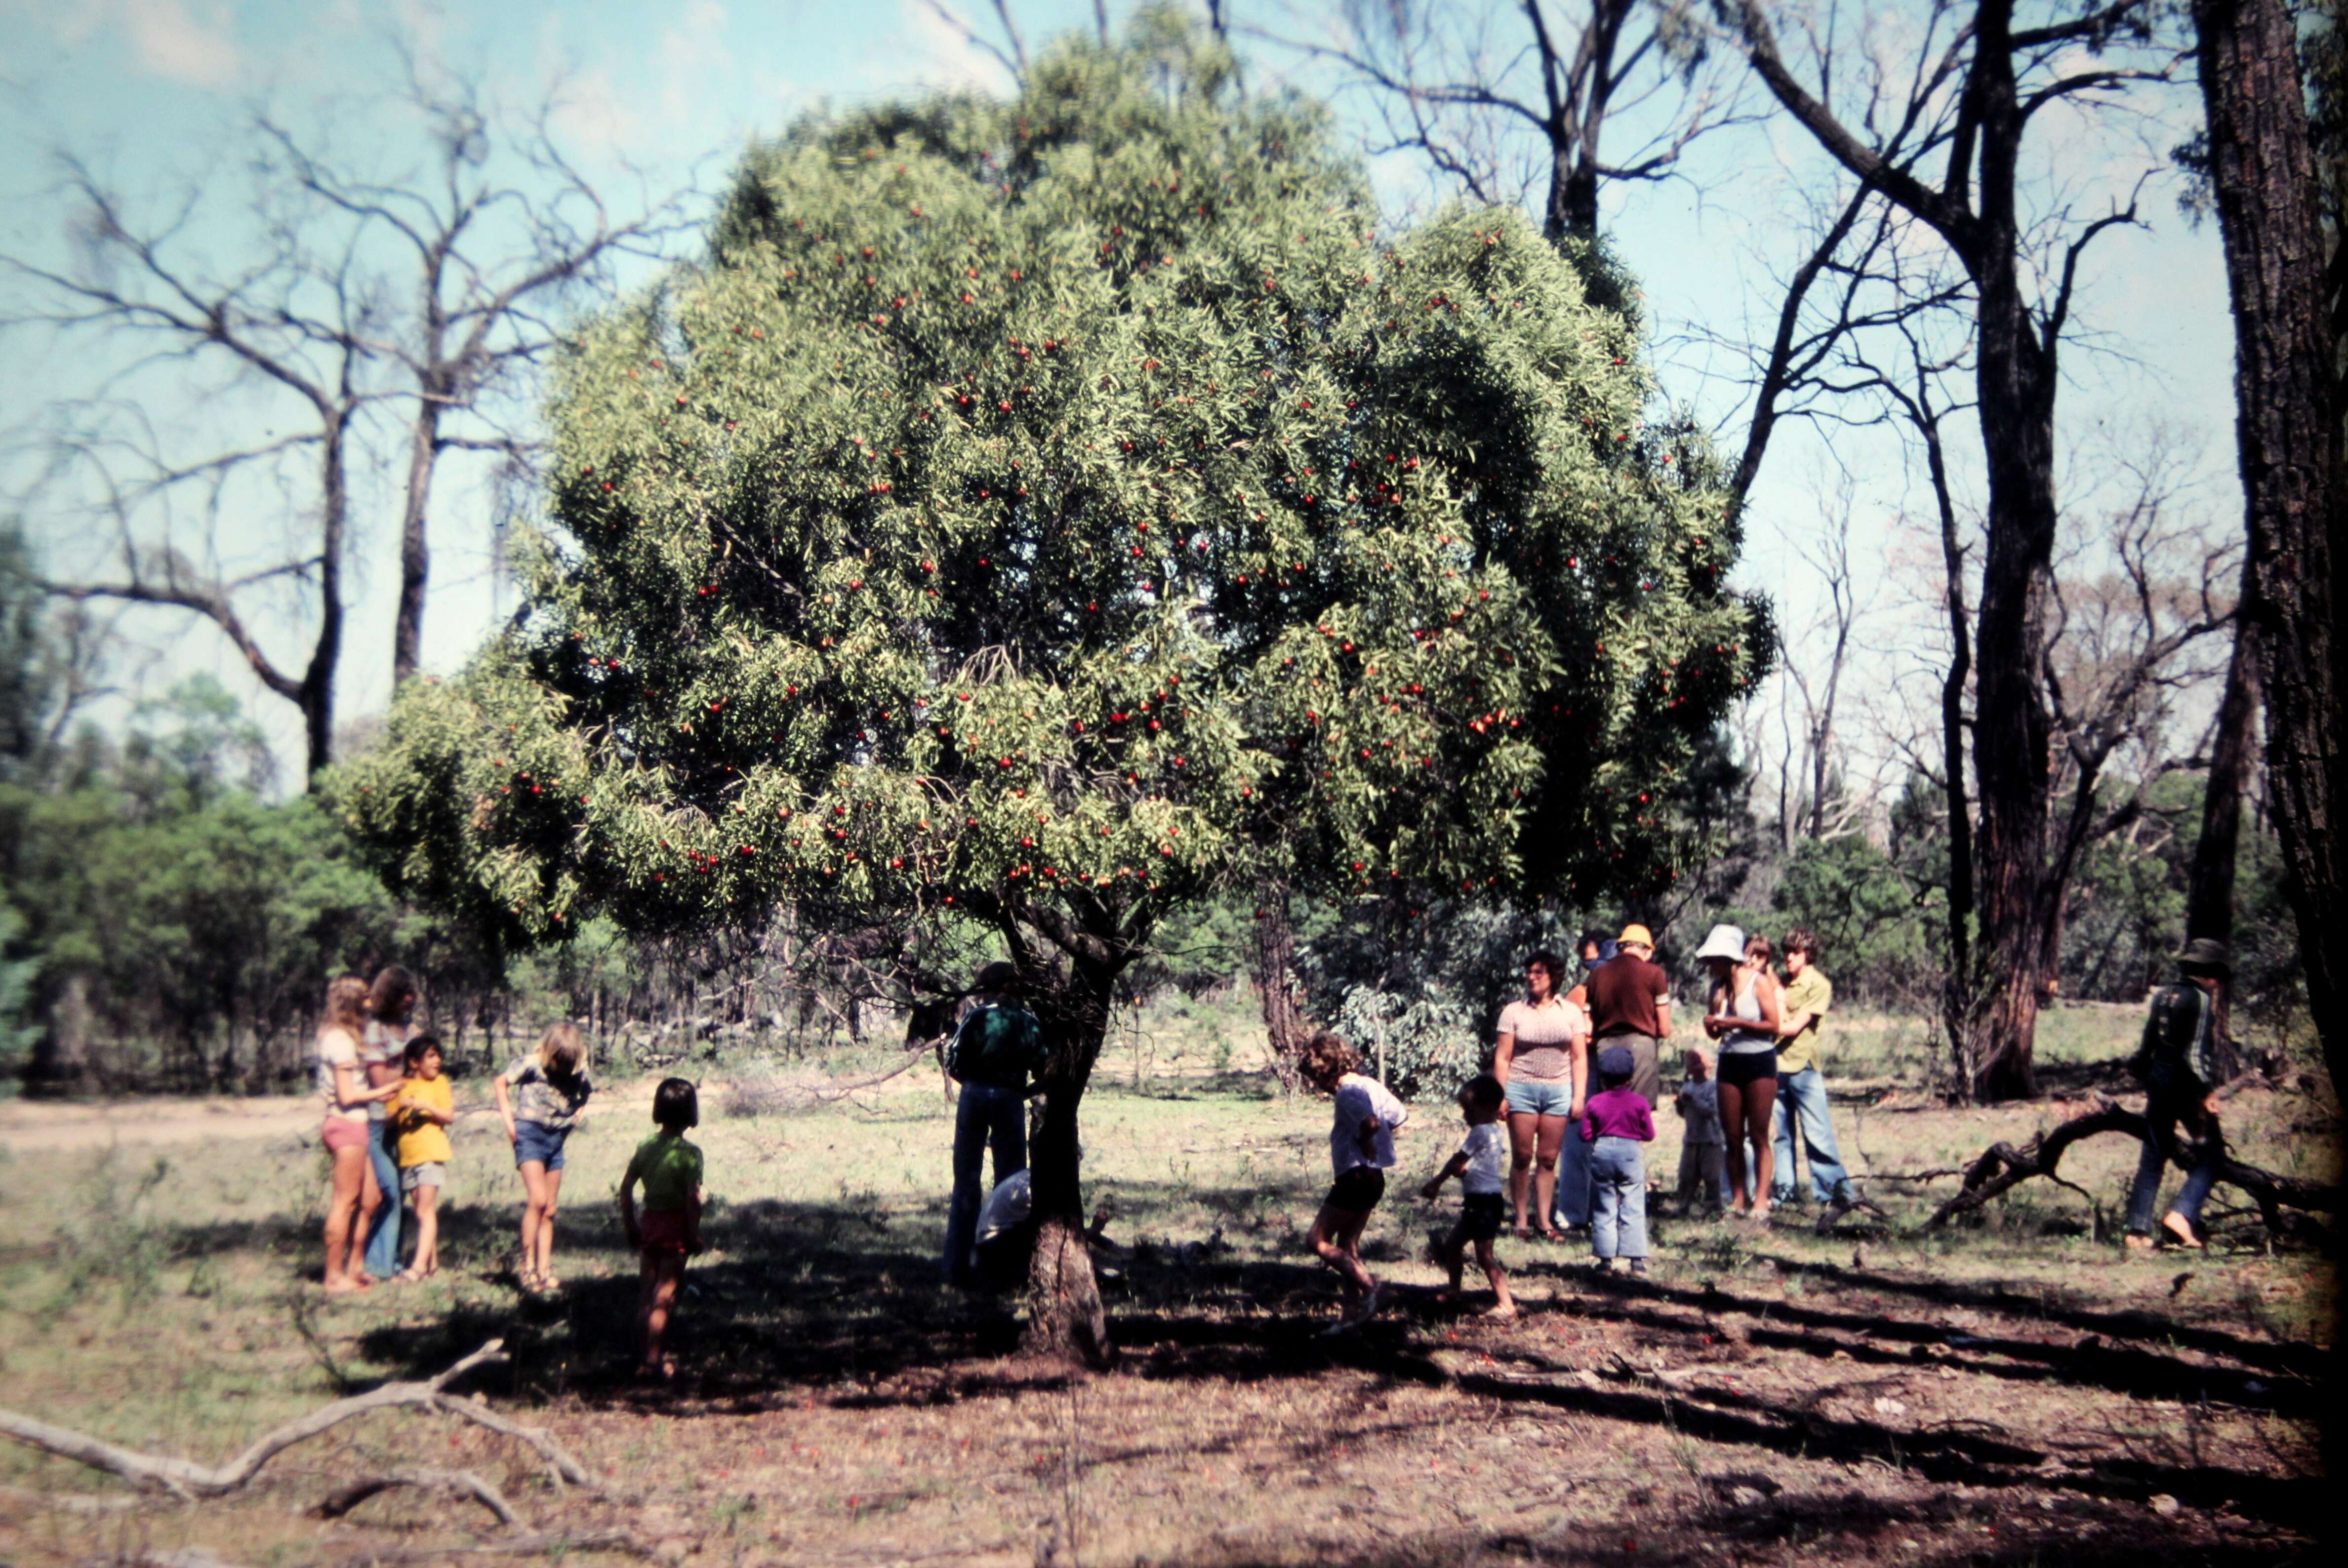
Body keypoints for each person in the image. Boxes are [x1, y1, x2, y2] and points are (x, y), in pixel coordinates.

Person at [941, 961, 1049, 1288]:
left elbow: (954, 1061)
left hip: (974, 1096)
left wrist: (977, 1082)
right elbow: (1042, 1066)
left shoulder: (977, 1017)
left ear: (989, 987)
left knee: (966, 1182)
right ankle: (1004, 1271)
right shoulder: (1029, 1021)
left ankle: (957, 1268)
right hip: (1009, 1098)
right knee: (1011, 1184)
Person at [2123, 939, 2231, 1251]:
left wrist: (2144, 1072)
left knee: (2153, 1156)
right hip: (2185, 1086)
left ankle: (2137, 1232)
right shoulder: (2199, 999)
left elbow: (2148, 1043)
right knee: (2213, 1156)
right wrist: (2207, 1092)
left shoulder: (2163, 994)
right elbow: (2195, 1053)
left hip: (2158, 1079)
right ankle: (2182, 1215)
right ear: (2210, 973)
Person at [1300, 1030, 1408, 1334]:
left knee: (1317, 1240)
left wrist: (1366, 1140)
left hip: (1355, 1176)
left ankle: (1374, 1289)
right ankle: (1349, 1317)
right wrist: (1379, 1144)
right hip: (1374, 1177)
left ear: (1323, 1071)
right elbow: (1398, 1116)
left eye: (1315, 1078)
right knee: (1348, 1246)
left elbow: (1370, 1123)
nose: (1317, 1086)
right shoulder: (1370, 1085)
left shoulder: (1347, 1093)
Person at [1492, 952, 1586, 1241]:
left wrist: (1579, 1096)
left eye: (1539, 972)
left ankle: (1544, 1221)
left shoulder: (1570, 1012)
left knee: (1548, 1158)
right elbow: (1503, 1057)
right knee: (1522, 1156)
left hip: (1558, 1091)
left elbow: (1579, 1058)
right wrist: (1501, 1095)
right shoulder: (1513, 1012)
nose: (1531, 977)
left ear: (1554, 976)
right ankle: (1521, 1220)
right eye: (1529, 972)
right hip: (1521, 1089)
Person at [494, 1022, 593, 1293]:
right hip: (530, 1135)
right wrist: (509, 1124)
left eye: (568, 1061)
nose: (563, 1066)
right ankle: (526, 1269)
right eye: (559, 1060)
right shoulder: (531, 1065)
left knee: (549, 1209)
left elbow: (586, 1094)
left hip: (556, 1140)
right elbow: (500, 1083)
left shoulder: (579, 1072)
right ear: (550, 1052)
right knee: (537, 1201)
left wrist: (574, 1119)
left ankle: (544, 1269)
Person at [316, 975, 398, 1294]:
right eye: (365, 998)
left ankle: (355, 1266)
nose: (370, 1002)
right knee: (345, 1202)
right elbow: (348, 1096)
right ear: (352, 1002)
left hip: (356, 1125)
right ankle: (334, 1276)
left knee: (371, 1198)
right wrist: (386, 1090)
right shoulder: (341, 1041)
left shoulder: (347, 1036)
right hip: (346, 1123)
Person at [619, 1077, 706, 1379]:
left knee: (647, 1294)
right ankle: (653, 1361)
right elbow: (692, 1201)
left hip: (650, 1223)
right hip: (675, 1227)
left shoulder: (646, 1147)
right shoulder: (690, 1154)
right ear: (691, 1113)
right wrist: (693, 1235)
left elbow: (626, 1187)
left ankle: (647, 1354)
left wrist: (631, 1225)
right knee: (665, 1295)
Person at [1698, 925, 1782, 1220]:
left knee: (1759, 1135)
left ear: (1729, 957)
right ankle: (1737, 1198)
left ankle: (1761, 1199)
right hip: (1730, 1062)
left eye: (1715, 959)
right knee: (1732, 1137)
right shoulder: (1717, 989)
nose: (1710, 965)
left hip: (1759, 1061)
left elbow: (1774, 1026)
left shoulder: (1758, 983)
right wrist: (1713, 1025)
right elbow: (1716, 1033)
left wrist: (1739, 1022)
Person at [1419, 1073, 1516, 1320]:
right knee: (1453, 1246)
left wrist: (1436, 1183)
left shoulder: (1480, 1132)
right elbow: (1477, 1166)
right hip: (1482, 1201)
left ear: (1486, 1109)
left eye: (1469, 1111)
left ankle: (1506, 1305)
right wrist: (1465, 1173)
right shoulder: (1493, 1130)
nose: (1465, 1117)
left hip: (1484, 1204)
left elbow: (1457, 1161)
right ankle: (1454, 1291)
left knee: (1485, 1255)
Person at [1770, 929, 1852, 1207]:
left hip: (1803, 1067)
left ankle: (1834, 1195)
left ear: (1808, 955)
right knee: (1781, 1136)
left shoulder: (1819, 985)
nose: (1789, 958)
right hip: (1777, 1068)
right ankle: (1784, 1193)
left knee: (1817, 1135)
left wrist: (1763, 1025)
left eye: (1796, 952)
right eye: (1786, 952)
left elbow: (1792, 1027)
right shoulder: (1780, 982)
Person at [359, 966, 422, 1285]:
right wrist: (409, 1076)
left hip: (406, 1123)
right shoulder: (375, 1031)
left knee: (403, 1193)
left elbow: (430, 1072)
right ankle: (376, 1264)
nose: (410, 998)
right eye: (403, 992)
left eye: (411, 992)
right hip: (377, 1124)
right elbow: (380, 1081)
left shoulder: (413, 1030)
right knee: (389, 1193)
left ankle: (392, 1262)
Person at [1581, 1045, 1657, 1271]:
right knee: (1633, 1202)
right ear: (1631, 1077)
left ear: (1602, 1078)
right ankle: (1635, 1259)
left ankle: (1605, 1259)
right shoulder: (1639, 1102)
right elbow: (1649, 1134)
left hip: (1602, 1150)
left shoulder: (1594, 1102)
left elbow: (1585, 1134)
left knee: (1604, 1204)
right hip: (1630, 1152)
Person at [390, 1035, 456, 1282]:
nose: (437, 1061)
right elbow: (391, 1118)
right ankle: (432, 1264)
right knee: (421, 1210)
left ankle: (417, 1268)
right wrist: (400, 1106)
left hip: (432, 1154)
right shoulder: (402, 1084)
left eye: (438, 1055)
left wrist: (423, 1105)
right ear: (414, 1062)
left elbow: (449, 1116)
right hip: (408, 1157)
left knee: (425, 1212)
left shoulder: (440, 1083)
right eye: (431, 1056)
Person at [1587, 923, 1672, 1108]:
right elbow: (1665, 1030)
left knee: (1610, 1108)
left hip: (1606, 1046)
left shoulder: (1597, 975)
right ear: (1647, 950)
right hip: (1642, 1047)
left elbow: (1588, 1026)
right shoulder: (1656, 974)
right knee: (1637, 1110)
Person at [1674, 1046, 1729, 1214]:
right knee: (1686, 1175)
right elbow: (1684, 1114)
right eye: (1690, 1062)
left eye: (1698, 1062)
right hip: (1691, 1138)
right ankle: (1683, 1205)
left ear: (1710, 1064)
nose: (1694, 1066)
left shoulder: (1713, 1087)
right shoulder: (1687, 1087)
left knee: (1712, 1175)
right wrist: (1680, 1105)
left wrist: (1694, 1101)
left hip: (1711, 1139)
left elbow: (1712, 1111)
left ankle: (1713, 1207)